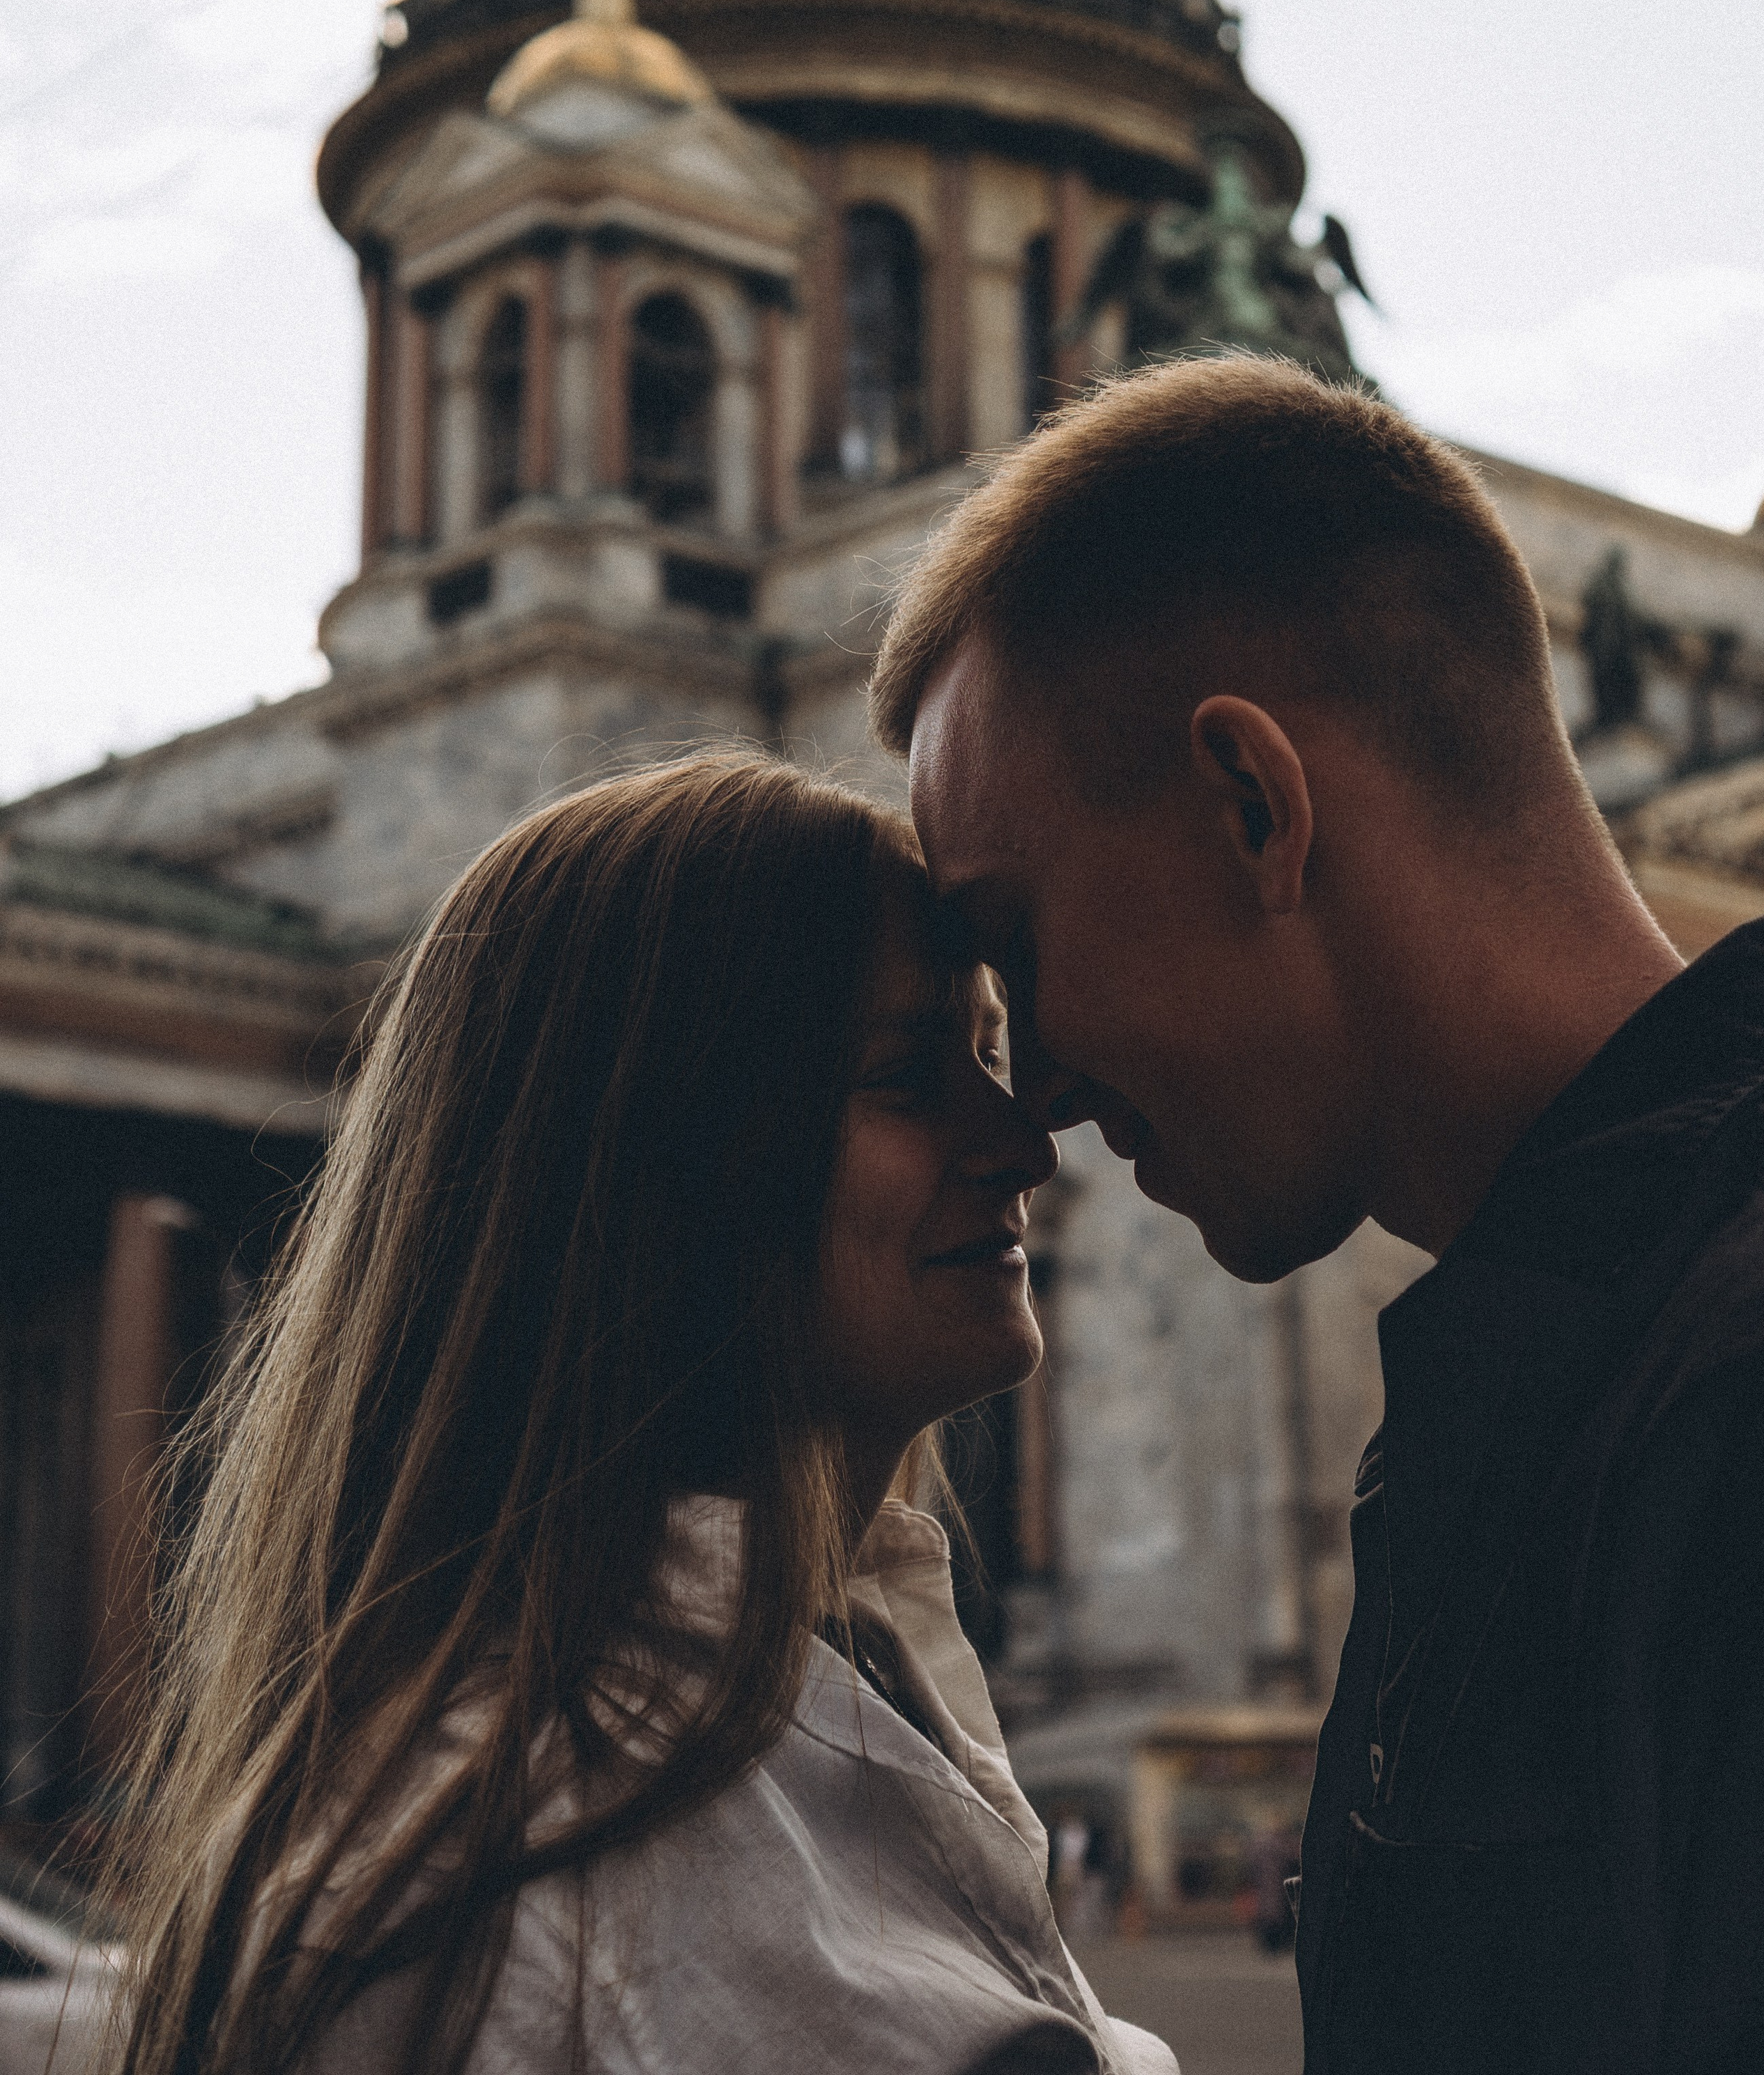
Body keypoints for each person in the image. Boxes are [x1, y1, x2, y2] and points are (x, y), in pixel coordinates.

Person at [869, 355, 1764, 2075]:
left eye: (1017, 948)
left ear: (1251, 809)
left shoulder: (1735, 1383)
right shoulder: (1556, 1370)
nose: (1035, 1089)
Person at [105, 755, 1175, 2075]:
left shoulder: (825, 1696)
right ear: (651, 1170)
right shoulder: (491, 1899)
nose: (1023, 1142)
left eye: (991, 1054)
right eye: (908, 1074)